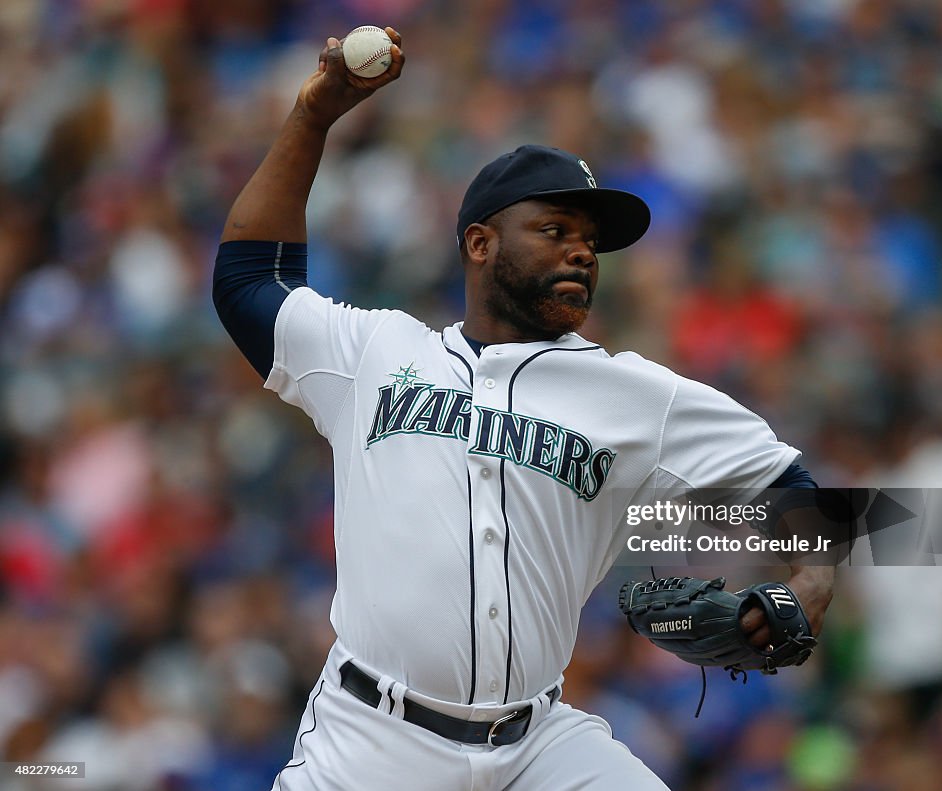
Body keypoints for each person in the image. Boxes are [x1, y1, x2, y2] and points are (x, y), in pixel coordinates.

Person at [212, 28, 834, 791]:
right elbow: (248, 281)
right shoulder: (375, 353)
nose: (581, 251)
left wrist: (808, 585)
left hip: (538, 748)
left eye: (590, 241)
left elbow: (802, 495)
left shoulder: (637, 396)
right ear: (480, 242)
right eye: (555, 230)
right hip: (371, 743)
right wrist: (313, 117)